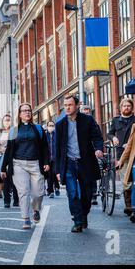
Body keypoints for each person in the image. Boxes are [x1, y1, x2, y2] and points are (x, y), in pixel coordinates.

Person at [55, 95, 104, 233]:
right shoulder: (60, 124)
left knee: (87, 194)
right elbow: (57, 149)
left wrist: (99, 148)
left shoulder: (88, 120)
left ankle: (83, 215)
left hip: (85, 162)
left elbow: (97, 136)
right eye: (65, 105)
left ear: (77, 106)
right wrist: (58, 170)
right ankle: (77, 220)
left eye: (70, 105)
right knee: (72, 193)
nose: (67, 107)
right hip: (69, 162)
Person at [0, 103, 50, 229]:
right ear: (20, 114)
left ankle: (36, 209)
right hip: (18, 164)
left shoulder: (38, 129)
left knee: (39, 192)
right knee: (23, 192)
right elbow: (8, 150)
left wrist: (46, 162)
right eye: (24, 111)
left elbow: (45, 147)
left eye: (29, 110)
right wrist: (3, 168)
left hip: (35, 164)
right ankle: (26, 218)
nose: (27, 112)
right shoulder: (14, 130)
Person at [107, 98, 135, 216]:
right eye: (124, 106)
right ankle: (129, 205)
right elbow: (109, 133)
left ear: (132, 107)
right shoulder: (116, 120)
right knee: (126, 178)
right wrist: (113, 138)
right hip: (121, 153)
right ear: (121, 108)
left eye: (128, 106)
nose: (126, 108)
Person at [0, 114, 19, 208]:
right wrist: (3, 150)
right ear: (2, 122)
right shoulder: (1, 133)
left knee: (15, 179)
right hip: (4, 157)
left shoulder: (15, 131)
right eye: (5, 120)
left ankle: (16, 200)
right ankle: (7, 201)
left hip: (14, 158)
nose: (7, 122)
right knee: (5, 179)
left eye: (9, 120)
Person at [80, 105, 101, 206]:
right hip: (80, 153)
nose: (86, 114)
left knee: (92, 174)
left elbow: (98, 137)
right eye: (84, 112)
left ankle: (93, 194)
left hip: (92, 153)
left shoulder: (93, 123)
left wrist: (98, 149)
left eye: (88, 112)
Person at [45, 121, 60, 198]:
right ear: (47, 127)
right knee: (49, 175)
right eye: (49, 125)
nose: (51, 127)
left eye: (52, 125)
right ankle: (51, 191)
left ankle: (57, 187)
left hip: (55, 157)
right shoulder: (45, 136)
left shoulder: (56, 135)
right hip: (47, 159)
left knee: (54, 172)